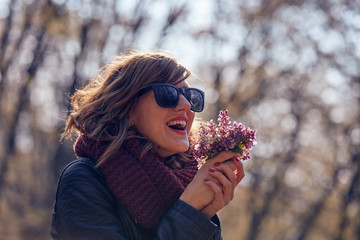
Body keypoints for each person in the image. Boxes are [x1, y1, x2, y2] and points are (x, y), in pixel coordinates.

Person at [50, 51, 245, 240]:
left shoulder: (186, 189)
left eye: (191, 96)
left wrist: (204, 214)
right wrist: (189, 212)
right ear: (127, 107)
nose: (185, 104)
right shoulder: (84, 179)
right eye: (168, 93)